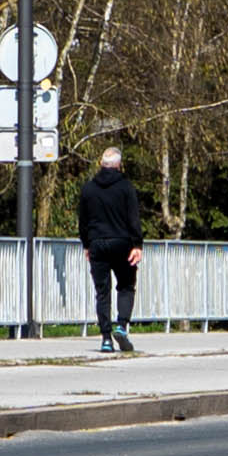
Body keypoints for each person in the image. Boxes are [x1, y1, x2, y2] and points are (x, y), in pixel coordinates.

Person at [74, 140, 148, 353]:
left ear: (101, 163)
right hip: (122, 243)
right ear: (119, 165)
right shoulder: (126, 187)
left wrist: (87, 245)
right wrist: (137, 244)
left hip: (97, 243)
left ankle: (106, 338)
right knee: (126, 285)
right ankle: (122, 326)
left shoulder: (89, 189)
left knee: (102, 292)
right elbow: (133, 218)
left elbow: (83, 221)